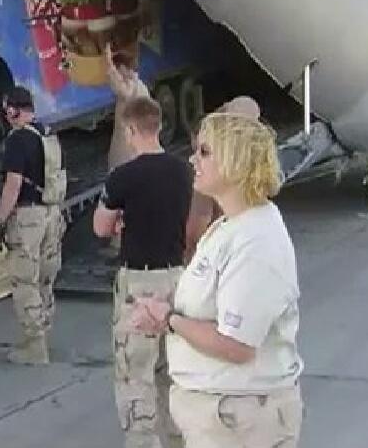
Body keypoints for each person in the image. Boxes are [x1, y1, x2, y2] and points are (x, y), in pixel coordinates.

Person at [130, 112, 304, 448]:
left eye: (205, 152)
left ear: (235, 162)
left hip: (239, 420)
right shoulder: (230, 226)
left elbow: (236, 345)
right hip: (222, 417)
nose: (193, 159)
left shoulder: (256, 241)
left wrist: (169, 320)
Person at [93, 90, 192, 448]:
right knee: (172, 371)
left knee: (135, 374)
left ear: (130, 130)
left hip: (139, 282)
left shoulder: (123, 177)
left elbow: (101, 229)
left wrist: (120, 218)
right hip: (177, 279)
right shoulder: (185, 171)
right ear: (159, 126)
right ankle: (178, 440)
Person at [0, 84, 65, 365]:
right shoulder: (48, 135)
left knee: (25, 281)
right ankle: (43, 334)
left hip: (28, 218)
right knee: (45, 279)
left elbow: (13, 184)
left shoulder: (18, 140)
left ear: (12, 110)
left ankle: (35, 347)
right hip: (52, 214)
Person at [184, 96, 261, 259]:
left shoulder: (209, 173)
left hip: (217, 253)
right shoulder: (249, 163)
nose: (195, 158)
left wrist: (188, 255)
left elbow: (197, 225)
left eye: (202, 151)